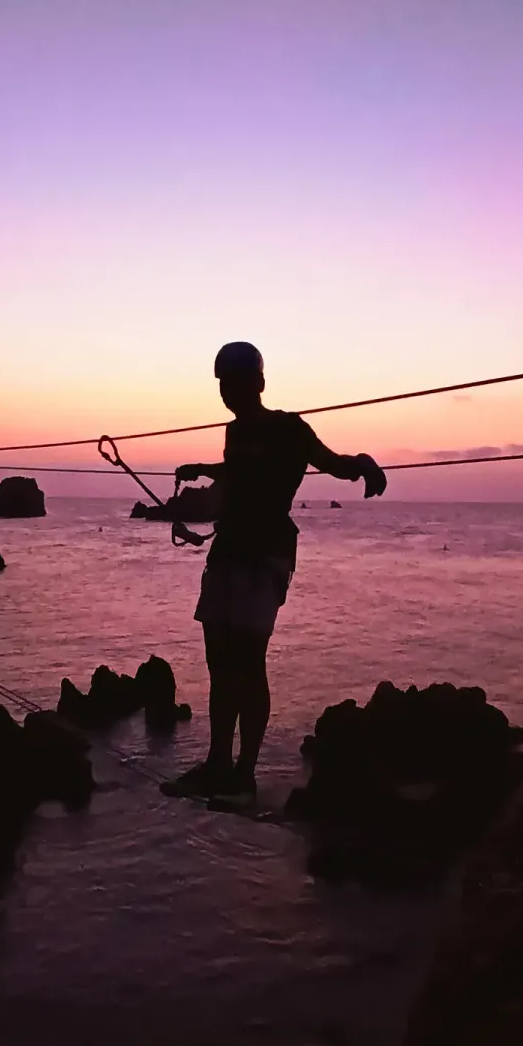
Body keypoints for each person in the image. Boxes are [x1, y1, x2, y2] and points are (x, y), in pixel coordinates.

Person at [162, 342, 386, 804]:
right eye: (224, 383)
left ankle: (243, 775)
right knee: (220, 661)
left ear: (259, 383)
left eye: (237, 381)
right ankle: (218, 765)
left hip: (264, 554)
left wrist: (362, 464)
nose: (229, 390)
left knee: (248, 661)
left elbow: (331, 464)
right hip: (228, 550)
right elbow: (239, 471)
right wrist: (204, 469)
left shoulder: (289, 428)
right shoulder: (234, 432)